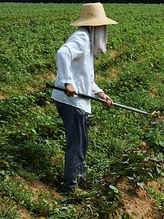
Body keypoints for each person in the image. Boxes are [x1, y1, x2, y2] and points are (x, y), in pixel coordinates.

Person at [51, 2, 116, 194]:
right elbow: (63, 53)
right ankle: (69, 189)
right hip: (70, 100)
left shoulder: (87, 39)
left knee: (82, 141)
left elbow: (85, 75)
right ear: (95, 25)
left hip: (75, 99)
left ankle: (79, 177)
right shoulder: (81, 37)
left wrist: (99, 93)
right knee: (77, 144)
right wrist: (67, 82)